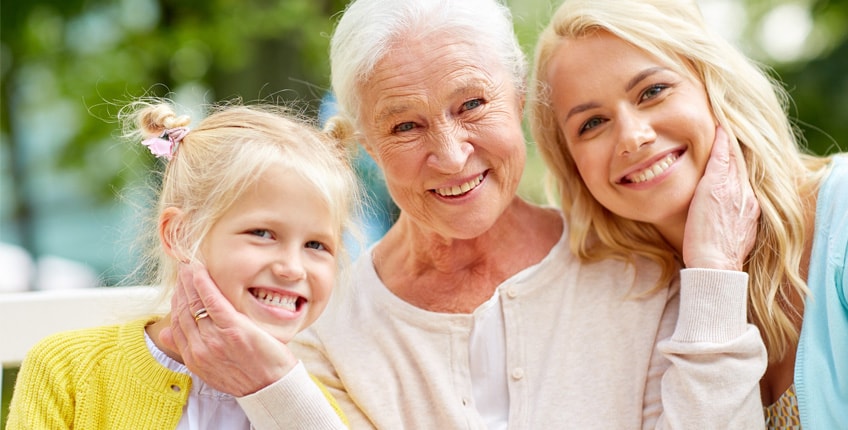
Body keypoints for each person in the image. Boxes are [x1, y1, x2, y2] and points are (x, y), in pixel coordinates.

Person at [161, 0, 769, 427]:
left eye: (472, 104)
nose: (451, 156)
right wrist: (279, 391)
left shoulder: (637, 269)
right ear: (364, 145)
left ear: (521, 100)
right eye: (404, 125)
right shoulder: (324, 321)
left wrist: (713, 273)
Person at [528, 0, 847, 428]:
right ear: (572, 167)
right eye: (592, 123)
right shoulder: (627, 304)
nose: (632, 137)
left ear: (714, 84)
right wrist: (713, 275)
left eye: (652, 91)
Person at [5, 99, 359, 429]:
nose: (293, 268)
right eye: (263, 233)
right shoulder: (68, 371)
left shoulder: (308, 406)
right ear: (181, 235)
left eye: (317, 244)